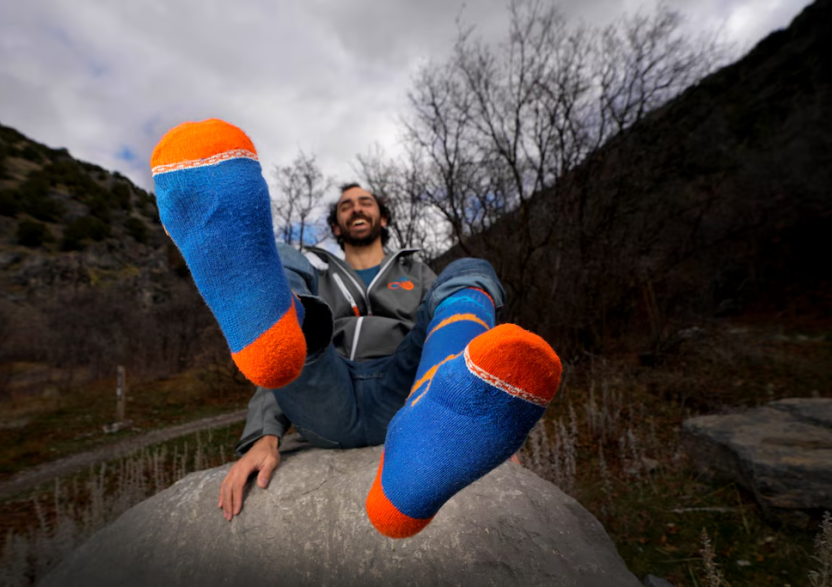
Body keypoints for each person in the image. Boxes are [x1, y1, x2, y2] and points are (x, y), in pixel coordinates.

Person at [151, 119, 562, 538]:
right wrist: (262, 434)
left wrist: (477, 428)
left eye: (365, 202)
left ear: (383, 218)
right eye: (346, 206)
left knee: (468, 270)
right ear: (335, 227)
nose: (355, 209)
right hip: (327, 397)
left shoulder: (417, 272)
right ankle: (262, 310)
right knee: (284, 267)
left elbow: (447, 329)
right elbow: (285, 355)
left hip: (402, 395)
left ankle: (441, 422)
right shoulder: (320, 274)